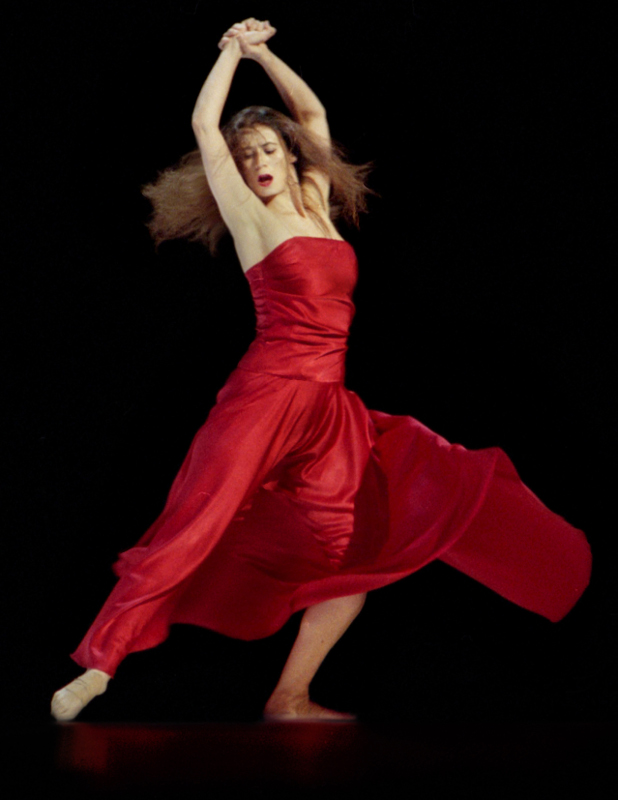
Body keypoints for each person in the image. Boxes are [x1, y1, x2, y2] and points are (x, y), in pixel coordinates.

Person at [51, 19, 592, 722]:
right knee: (195, 520)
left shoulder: (314, 203)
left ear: (288, 154)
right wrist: (227, 53)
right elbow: (204, 125)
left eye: (268, 148)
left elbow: (310, 115)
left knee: (349, 556)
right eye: (249, 156)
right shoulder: (251, 218)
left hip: (328, 408)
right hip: (266, 394)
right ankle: (98, 664)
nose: (259, 161)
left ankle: (289, 697)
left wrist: (265, 53)